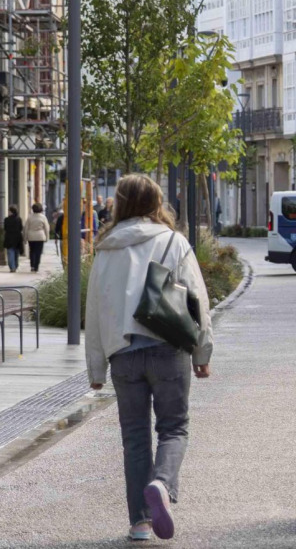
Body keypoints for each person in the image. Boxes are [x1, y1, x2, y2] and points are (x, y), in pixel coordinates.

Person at [86, 175, 213, 542]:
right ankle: (162, 483)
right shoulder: (174, 241)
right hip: (168, 347)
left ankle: (140, 522)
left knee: (135, 437)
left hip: (123, 354)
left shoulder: (106, 248)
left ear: (120, 205)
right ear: (157, 203)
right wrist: (202, 351)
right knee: (174, 427)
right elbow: (197, 299)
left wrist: (96, 367)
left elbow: (94, 309)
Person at [25, 203, 50, 273]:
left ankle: (32, 265)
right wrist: (47, 237)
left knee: (32, 251)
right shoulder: (43, 217)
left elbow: (26, 228)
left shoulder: (30, 217)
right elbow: (46, 228)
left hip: (31, 236)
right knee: (38, 252)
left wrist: (25, 238)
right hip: (40, 236)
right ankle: (36, 266)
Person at [3, 205, 24, 273]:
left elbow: (5, 228)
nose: (8, 212)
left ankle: (12, 267)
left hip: (9, 238)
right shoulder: (19, 219)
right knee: (16, 253)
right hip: (17, 238)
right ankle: (15, 265)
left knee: (10, 252)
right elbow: (21, 228)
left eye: (9, 211)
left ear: (11, 212)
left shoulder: (6, 220)